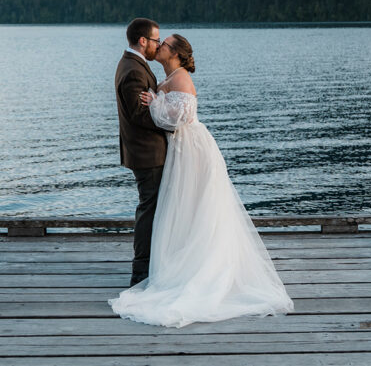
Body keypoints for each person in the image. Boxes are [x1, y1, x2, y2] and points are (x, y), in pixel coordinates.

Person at [109, 33, 294, 327]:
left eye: (165, 44)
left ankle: (202, 269)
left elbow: (179, 118)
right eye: (159, 41)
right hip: (180, 149)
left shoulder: (181, 80)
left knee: (197, 206)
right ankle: (177, 261)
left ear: (176, 54)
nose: (160, 46)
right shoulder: (167, 76)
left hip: (192, 148)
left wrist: (154, 102)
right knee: (183, 208)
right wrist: (158, 99)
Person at [114, 18, 167, 286]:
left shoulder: (132, 63)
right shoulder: (133, 70)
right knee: (148, 210)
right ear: (143, 40)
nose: (158, 44)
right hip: (147, 154)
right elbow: (139, 114)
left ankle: (150, 267)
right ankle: (140, 273)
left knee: (153, 208)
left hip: (145, 152)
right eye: (156, 39)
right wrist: (170, 120)